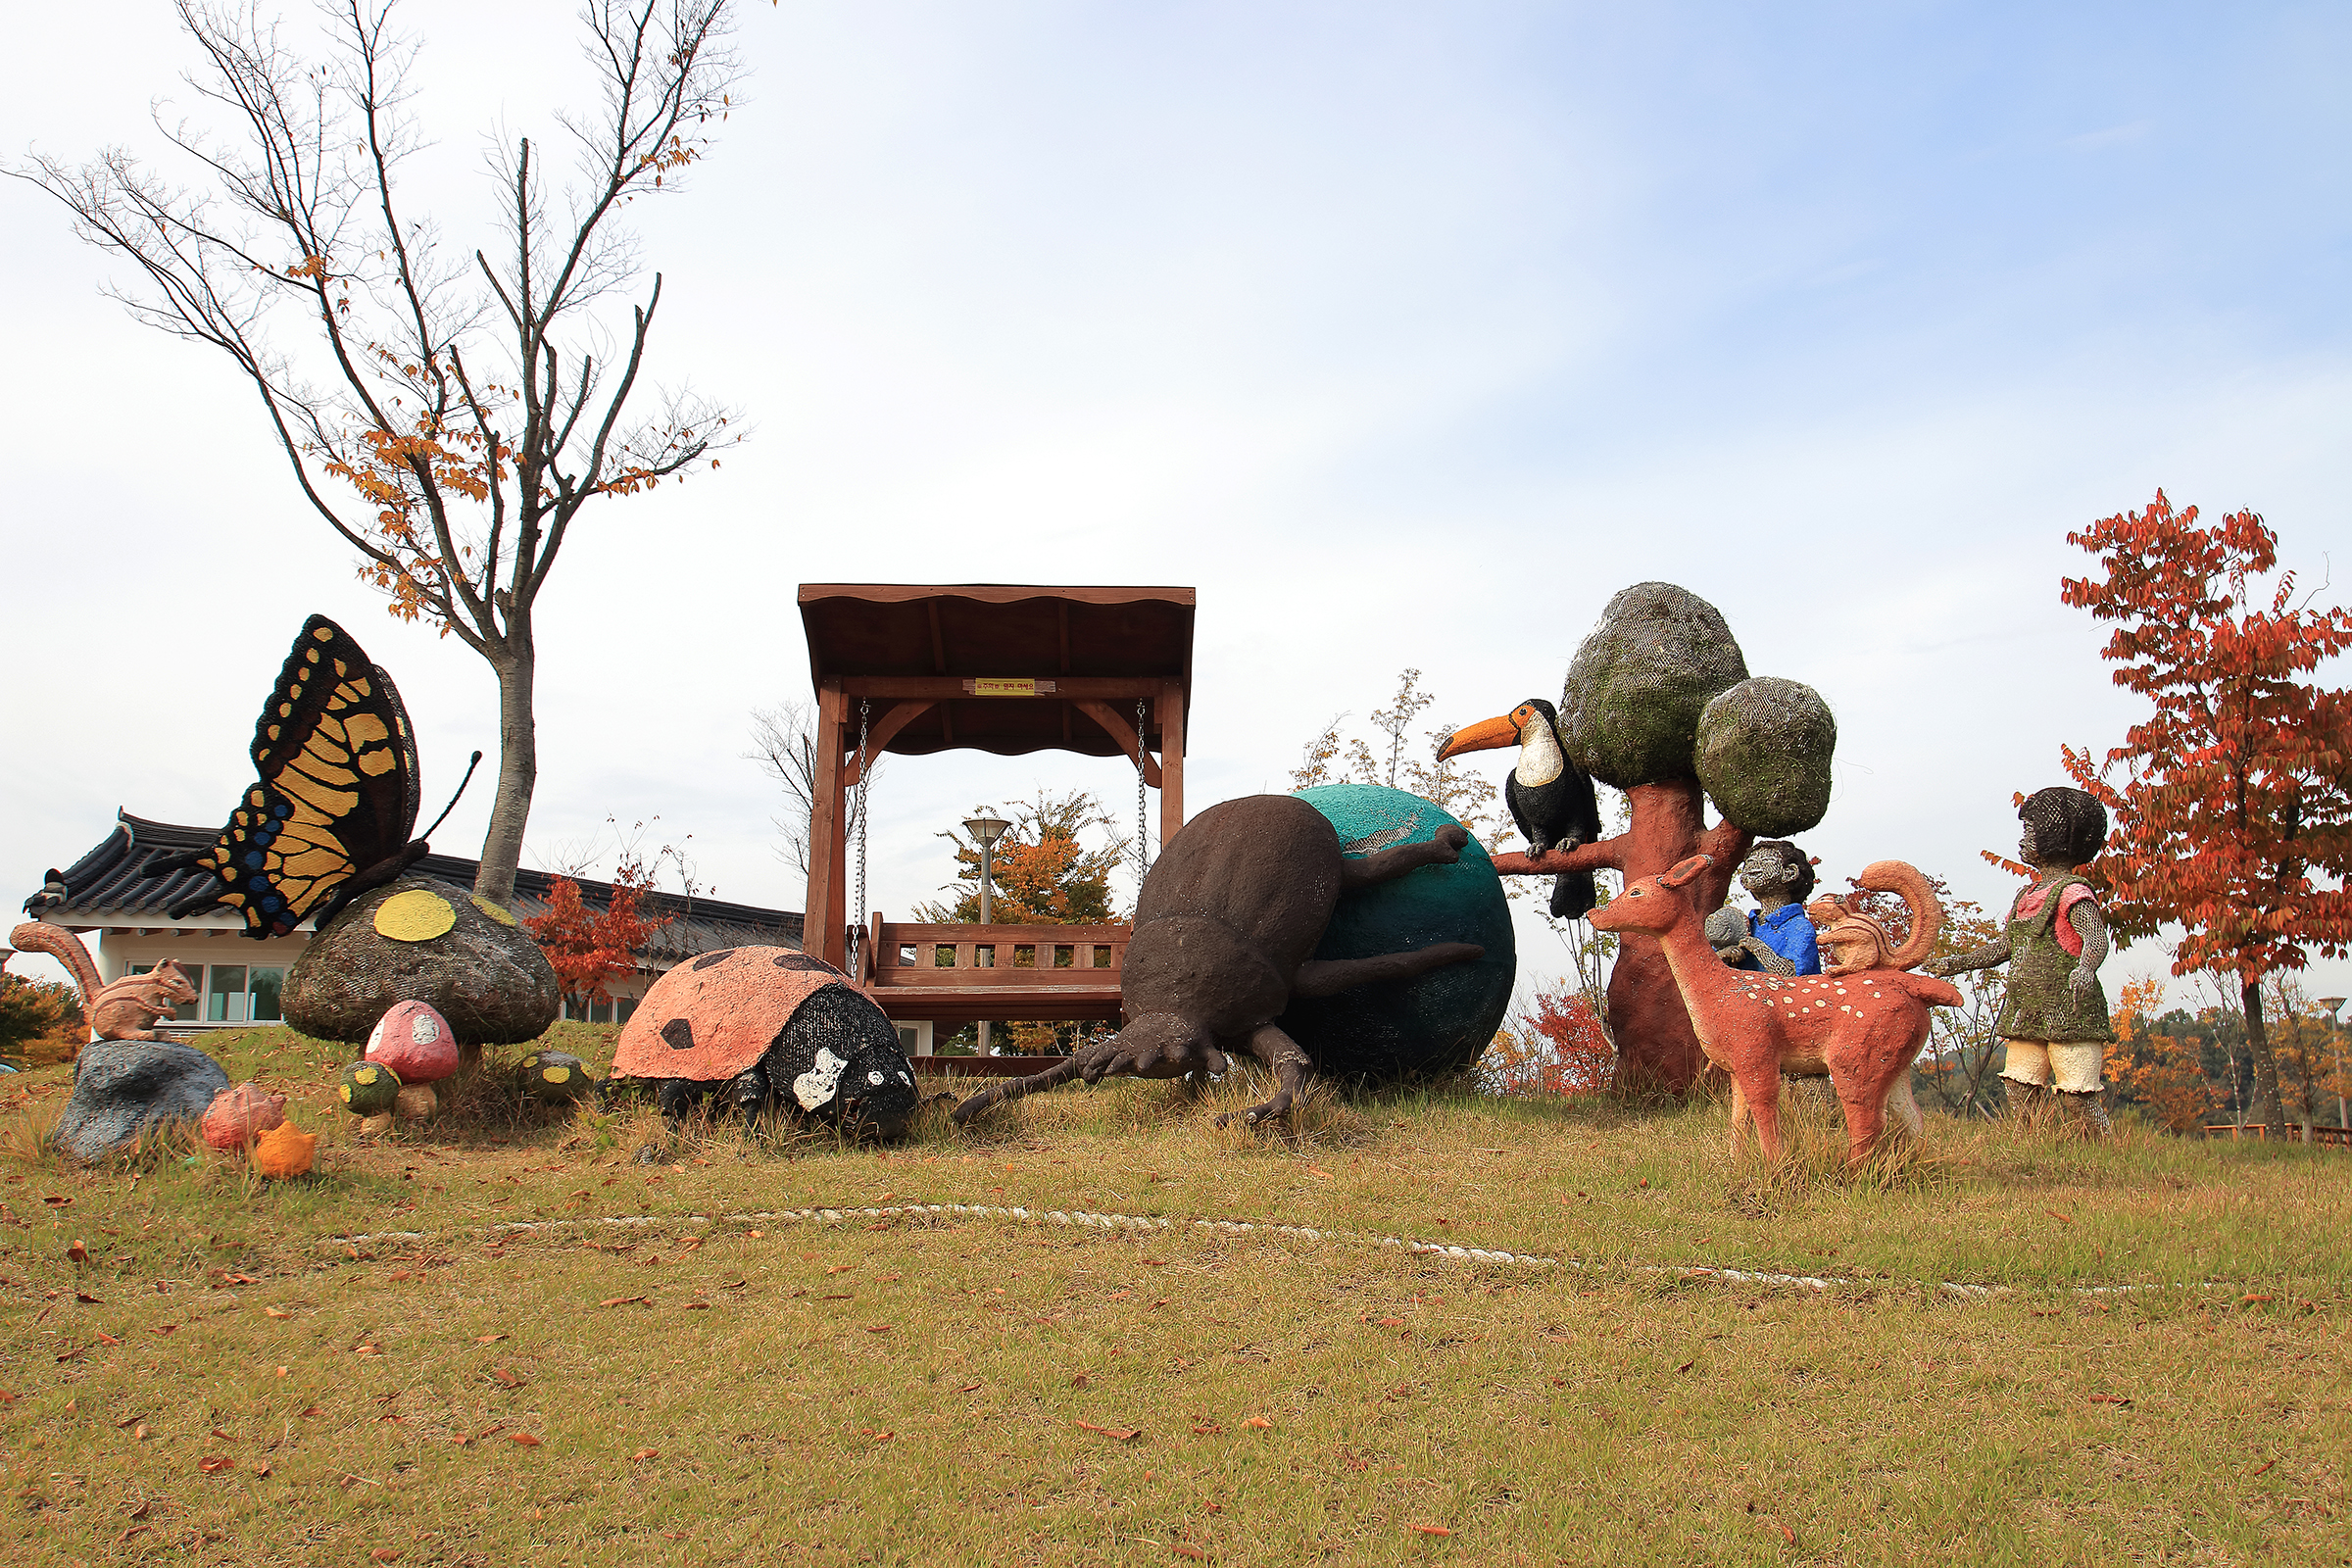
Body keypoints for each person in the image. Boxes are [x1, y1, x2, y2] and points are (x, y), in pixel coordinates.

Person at [1929, 787, 2114, 1132]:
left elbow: (2096, 938)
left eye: (2029, 831)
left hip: (2070, 1013)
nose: (2022, 840)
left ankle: (2104, 1147)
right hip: (2027, 1011)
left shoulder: (2073, 892)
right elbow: (2003, 947)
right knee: (2019, 1087)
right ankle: (2034, 1146)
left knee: (2077, 1096)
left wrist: (2086, 968)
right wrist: (1956, 963)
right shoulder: (2025, 895)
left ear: (2054, 838)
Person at [1710, 841, 1821, 977]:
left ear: (1789, 873)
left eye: (1765, 860)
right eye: (1749, 861)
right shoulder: (1742, 926)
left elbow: (1792, 975)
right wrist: (1724, 955)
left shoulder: (1799, 927)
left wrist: (1758, 948)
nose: (1752, 866)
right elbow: (1707, 970)